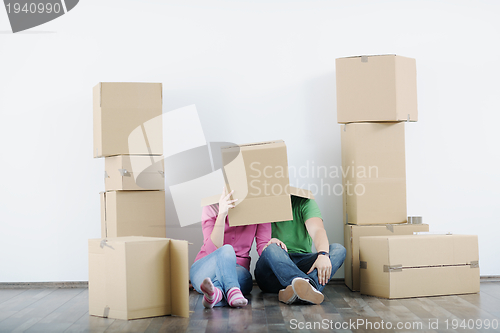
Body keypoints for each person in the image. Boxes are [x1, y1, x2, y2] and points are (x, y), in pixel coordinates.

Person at [254, 195, 346, 305]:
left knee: (338, 249)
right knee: (272, 248)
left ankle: (297, 290)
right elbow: (262, 249)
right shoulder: (262, 205)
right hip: (272, 272)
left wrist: (323, 254)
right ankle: (309, 286)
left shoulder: (304, 202)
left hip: (302, 264)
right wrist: (271, 243)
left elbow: (317, 230)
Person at [190, 188, 271, 308]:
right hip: (206, 267)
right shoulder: (211, 207)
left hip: (237, 269)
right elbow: (212, 248)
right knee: (227, 249)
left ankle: (215, 294)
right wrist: (222, 214)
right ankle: (232, 290)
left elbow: (262, 246)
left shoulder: (259, 209)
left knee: (243, 279)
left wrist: (272, 244)